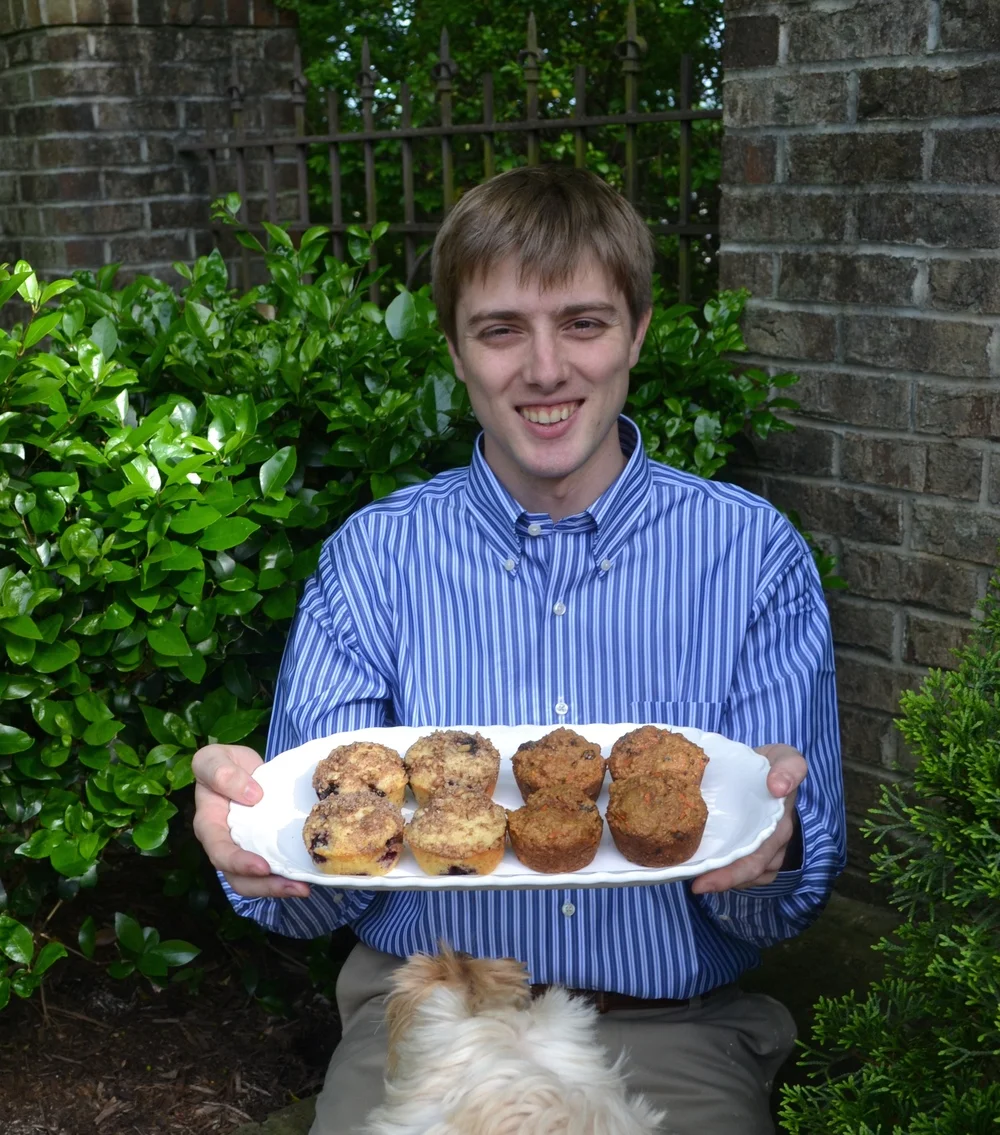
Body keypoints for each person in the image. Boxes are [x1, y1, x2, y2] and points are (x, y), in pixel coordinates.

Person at [192, 165, 846, 1135]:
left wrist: (775, 848)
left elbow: (777, 909)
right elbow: (315, 889)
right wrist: (252, 846)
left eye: (581, 322)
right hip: (427, 1008)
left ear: (638, 330)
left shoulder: (752, 557)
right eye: (501, 328)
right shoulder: (374, 559)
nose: (545, 368)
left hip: (663, 1028)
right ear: (456, 349)